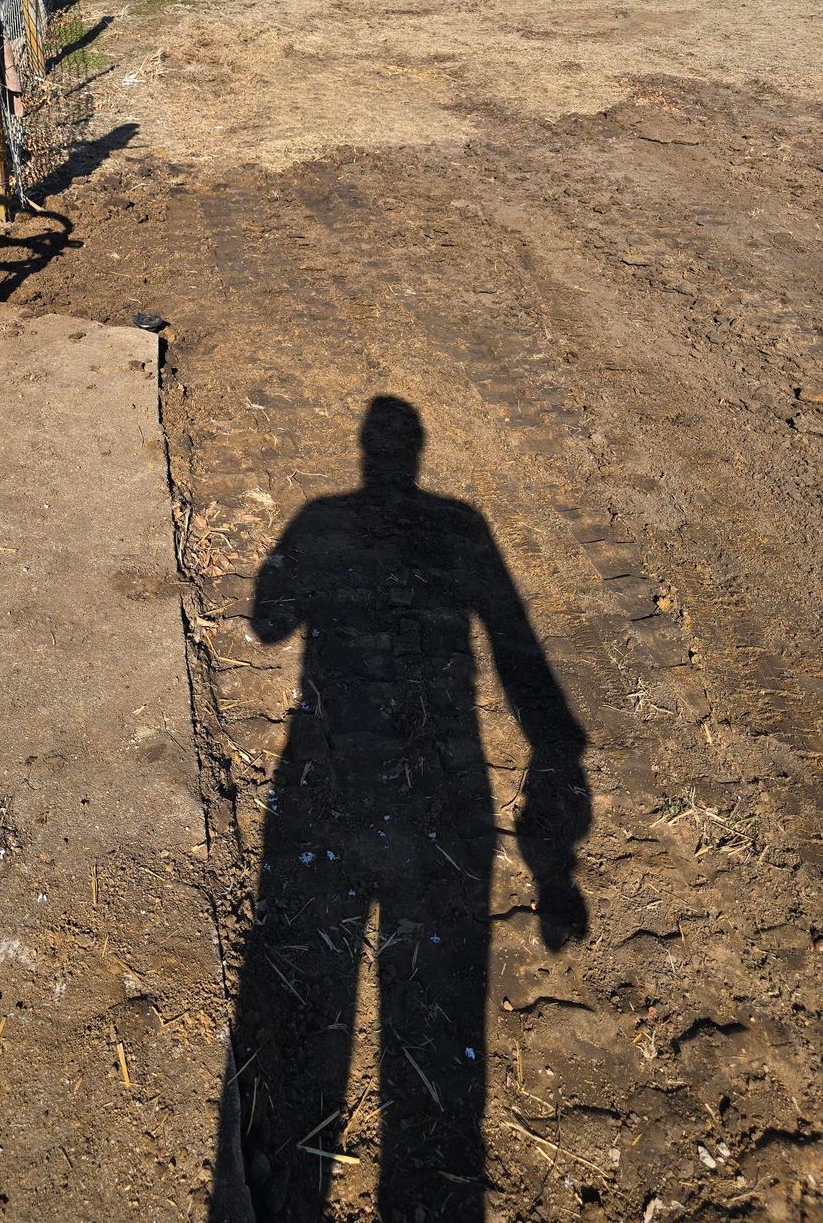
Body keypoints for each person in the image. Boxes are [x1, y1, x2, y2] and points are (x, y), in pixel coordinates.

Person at [211, 396, 590, 1221]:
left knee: (315, 961)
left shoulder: (320, 516)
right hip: (446, 787)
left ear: (363, 449)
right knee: (437, 990)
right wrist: (554, 762)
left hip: (330, 764)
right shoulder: (459, 521)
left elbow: (269, 625)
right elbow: (513, 637)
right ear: (414, 451)